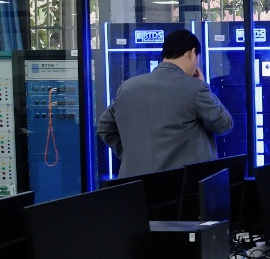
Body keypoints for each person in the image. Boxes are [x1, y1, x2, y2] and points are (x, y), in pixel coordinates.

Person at [97, 29, 234, 178]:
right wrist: (204, 85)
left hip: (135, 185)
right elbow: (224, 125)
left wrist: (131, 156)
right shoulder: (195, 87)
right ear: (192, 53)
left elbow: (104, 127)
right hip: (181, 184)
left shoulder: (127, 87)